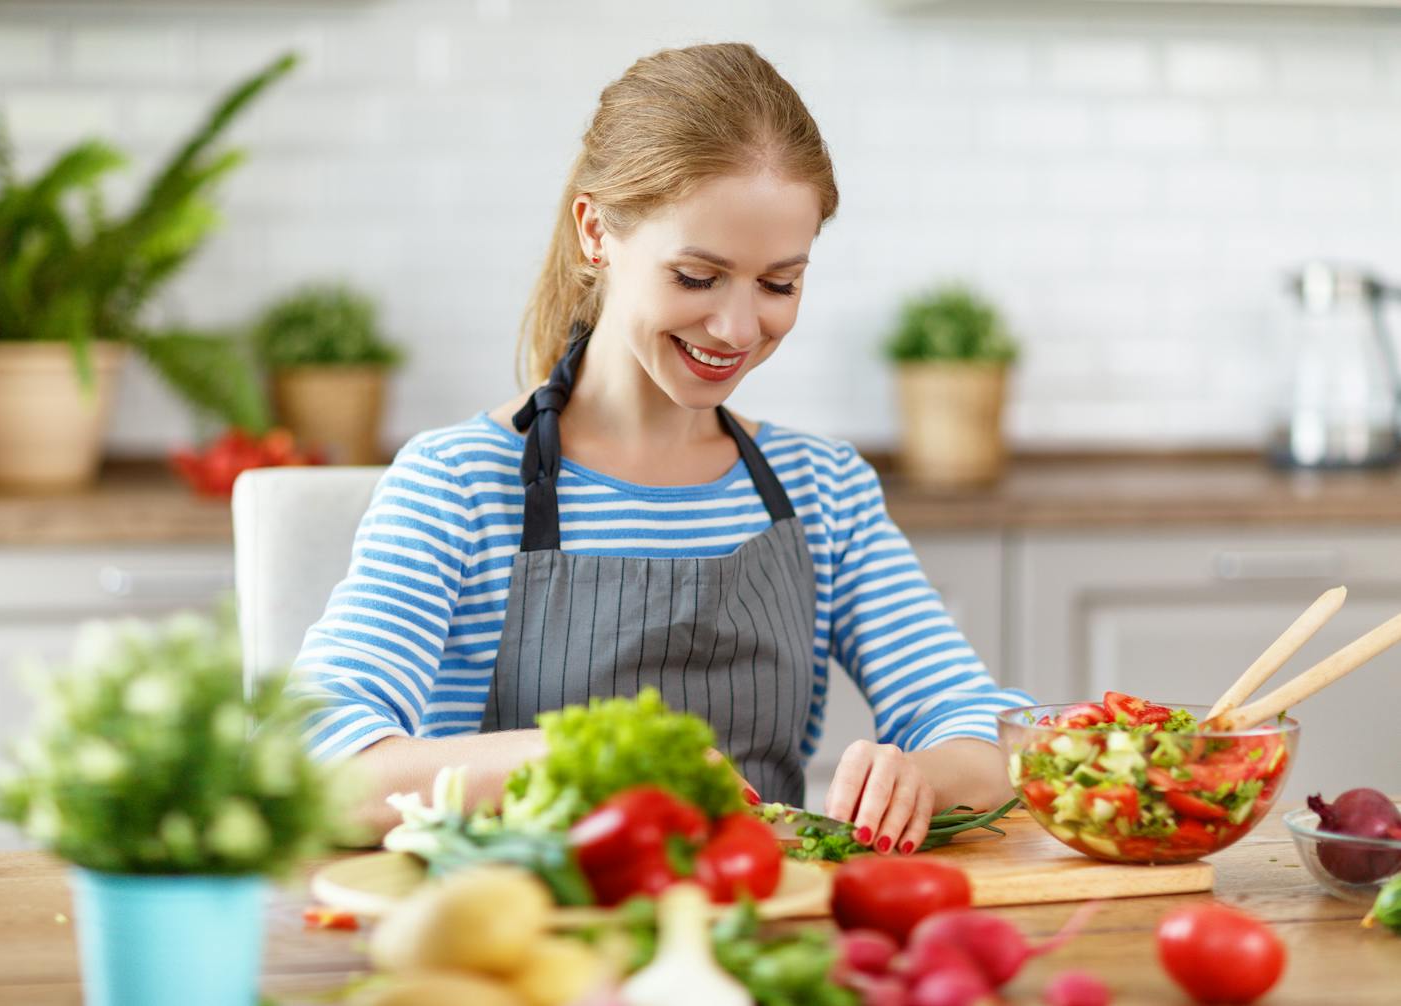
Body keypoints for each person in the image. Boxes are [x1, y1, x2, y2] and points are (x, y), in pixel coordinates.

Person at [290, 42, 1033, 852]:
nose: (739, 329)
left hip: (767, 931)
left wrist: (921, 775)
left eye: (779, 284)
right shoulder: (461, 484)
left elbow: (983, 734)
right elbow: (319, 768)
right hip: (530, 945)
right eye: (696, 277)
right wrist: (600, 762)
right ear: (595, 233)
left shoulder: (822, 489)